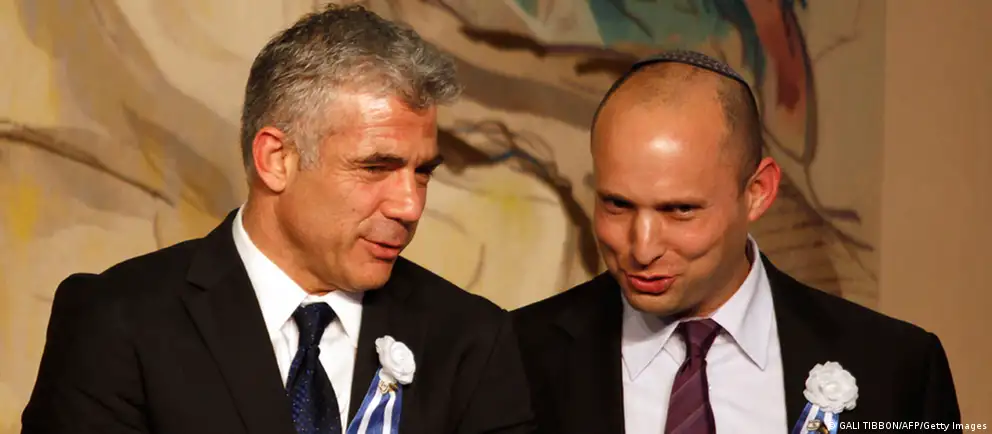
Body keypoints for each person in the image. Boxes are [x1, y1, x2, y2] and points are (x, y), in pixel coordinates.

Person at [21, 5, 535, 434]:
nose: (410, 205)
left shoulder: (471, 341)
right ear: (275, 159)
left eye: (422, 172)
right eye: (376, 167)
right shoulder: (118, 323)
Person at [513, 50, 961, 434]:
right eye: (617, 204)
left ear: (757, 192)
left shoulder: (896, 366)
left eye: (679, 210)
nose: (642, 248)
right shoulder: (514, 356)